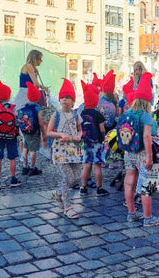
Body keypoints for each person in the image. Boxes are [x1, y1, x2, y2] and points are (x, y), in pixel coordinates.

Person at [118, 72, 159, 227]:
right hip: (143, 153)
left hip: (129, 152)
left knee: (129, 181)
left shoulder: (128, 113)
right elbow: (147, 137)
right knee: (148, 184)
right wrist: (150, 158)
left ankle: (131, 213)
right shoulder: (146, 116)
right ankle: (148, 218)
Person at [48, 78, 83, 219]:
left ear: (73, 101)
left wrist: (79, 136)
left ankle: (58, 193)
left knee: (77, 176)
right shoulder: (55, 114)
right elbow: (49, 132)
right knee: (66, 176)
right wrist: (60, 134)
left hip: (73, 149)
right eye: (62, 97)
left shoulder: (75, 115)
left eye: (67, 97)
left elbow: (80, 130)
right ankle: (67, 206)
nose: (64, 100)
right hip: (60, 149)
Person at [79, 80, 109, 197]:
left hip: (86, 142)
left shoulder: (82, 113)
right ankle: (99, 188)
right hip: (96, 142)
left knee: (86, 165)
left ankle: (83, 187)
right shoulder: (97, 114)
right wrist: (103, 138)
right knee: (97, 166)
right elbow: (102, 129)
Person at [17, 82, 43, 177]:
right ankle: (32, 168)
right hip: (34, 132)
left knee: (25, 149)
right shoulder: (37, 108)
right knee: (33, 150)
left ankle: (24, 167)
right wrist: (43, 132)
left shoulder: (23, 108)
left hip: (25, 132)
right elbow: (40, 122)